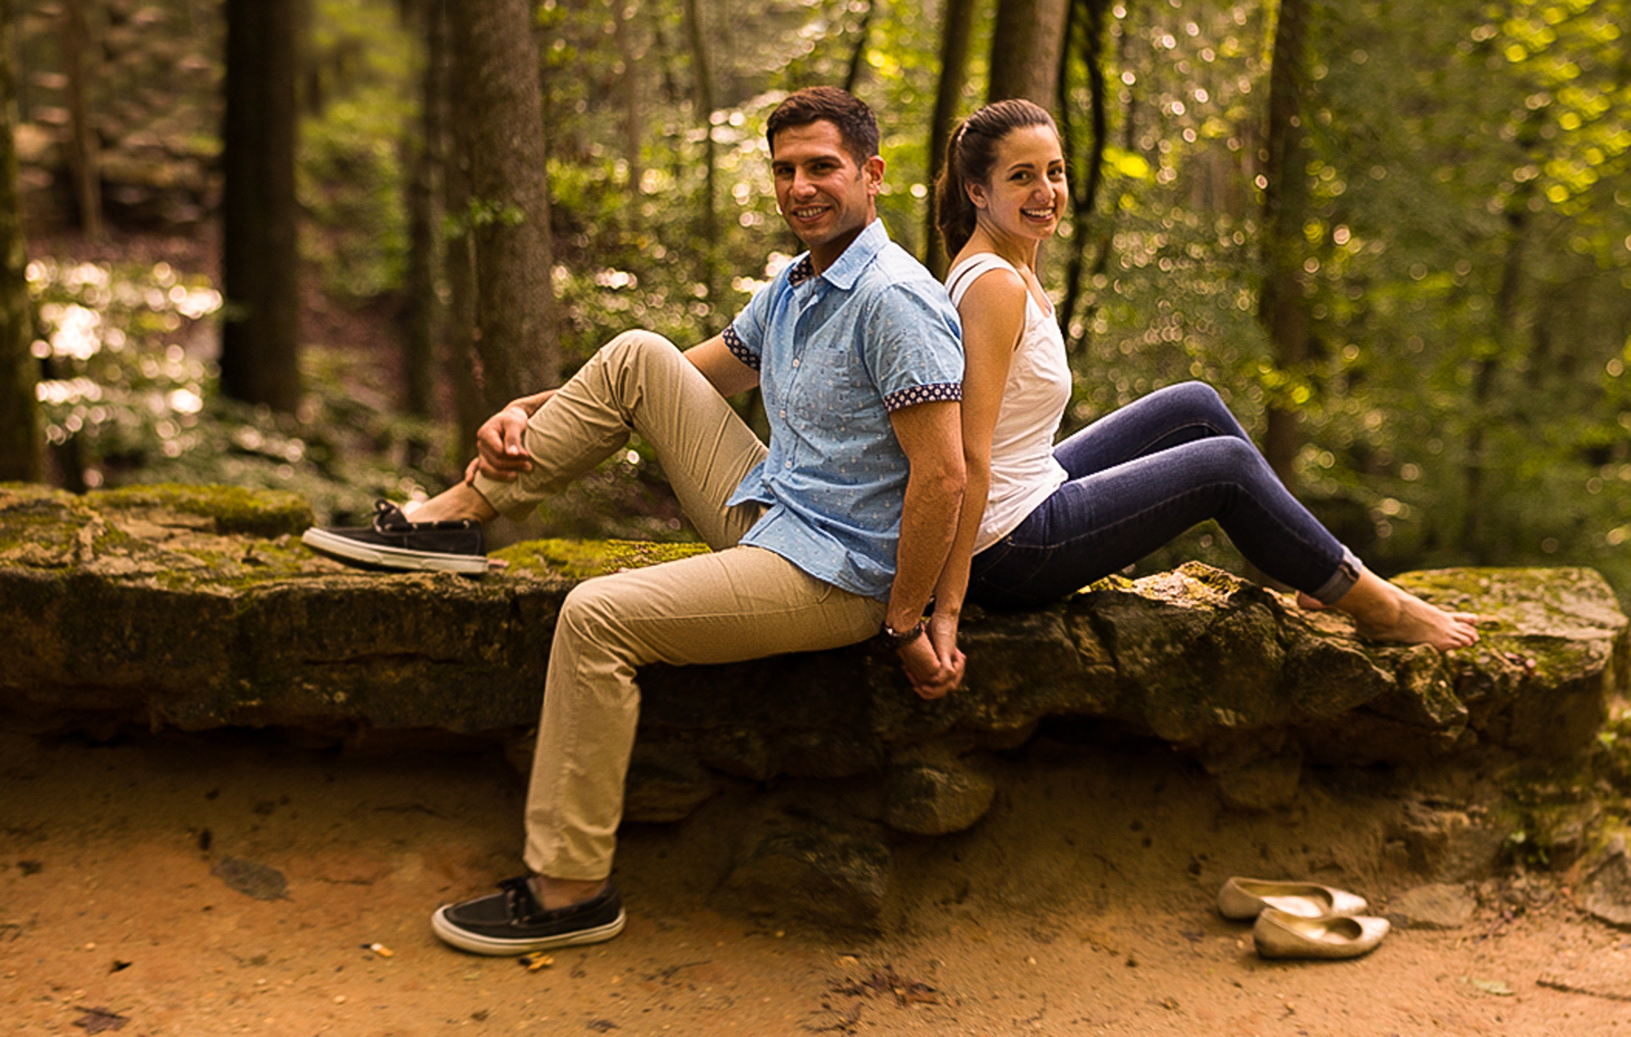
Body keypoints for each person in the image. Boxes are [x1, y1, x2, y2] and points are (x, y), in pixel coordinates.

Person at [302, 87, 967, 954]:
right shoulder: (798, 285)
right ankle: (452, 518)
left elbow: (944, 476)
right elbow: (677, 376)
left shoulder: (894, 299)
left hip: (833, 570)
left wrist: (907, 622)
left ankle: (570, 887)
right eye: (785, 170)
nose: (800, 187)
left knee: (596, 615)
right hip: (770, 507)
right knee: (636, 355)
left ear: (871, 174)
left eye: (822, 167)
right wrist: (528, 407)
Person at [922, 99, 1478, 671]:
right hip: (1009, 548)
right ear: (977, 191)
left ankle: (1315, 564)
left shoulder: (1011, 265)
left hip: (1027, 492)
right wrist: (947, 608)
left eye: (1055, 171)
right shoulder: (994, 286)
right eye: (1022, 176)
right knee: (1224, 467)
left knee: (1194, 405)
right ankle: (1378, 605)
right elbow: (968, 455)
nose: (1046, 191)